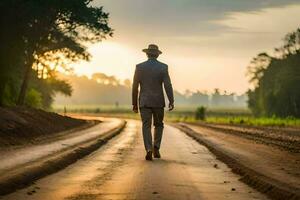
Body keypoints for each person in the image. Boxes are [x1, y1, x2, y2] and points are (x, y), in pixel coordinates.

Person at [132, 44, 174, 161]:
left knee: (146, 126)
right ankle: (156, 147)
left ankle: (148, 149)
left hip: (144, 102)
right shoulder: (163, 67)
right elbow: (167, 85)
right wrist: (171, 100)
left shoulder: (139, 67)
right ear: (157, 55)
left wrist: (134, 103)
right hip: (158, 102)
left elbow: (135, 86)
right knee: (159, 125)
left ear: (147, 54)